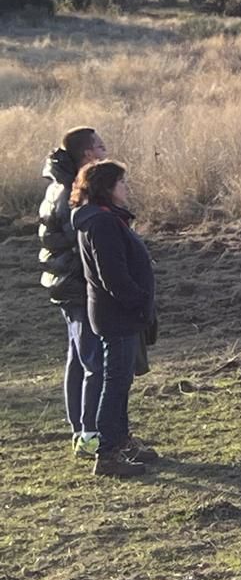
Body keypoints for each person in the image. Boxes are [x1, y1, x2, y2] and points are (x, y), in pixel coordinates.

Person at [70, 160, 158, 478]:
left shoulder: (102, 218)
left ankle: (121, 441)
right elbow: (113, 275)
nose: (126, 188)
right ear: (107, 187)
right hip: (117, 314)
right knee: (116, 381)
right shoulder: (102, 223)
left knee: (121, 380)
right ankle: (108, 453)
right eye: (121, 182)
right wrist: (138, 302)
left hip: (117, 313)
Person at [39, 126, 109, 458]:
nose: (105, 150)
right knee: (93, 361)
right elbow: (82, 244)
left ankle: (78, 428)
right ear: (85, 154)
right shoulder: (71, 192)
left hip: (65, 287)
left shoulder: (57, 186)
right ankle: (91, 433)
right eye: (99, 146)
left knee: (77, 359)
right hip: (79, 288)